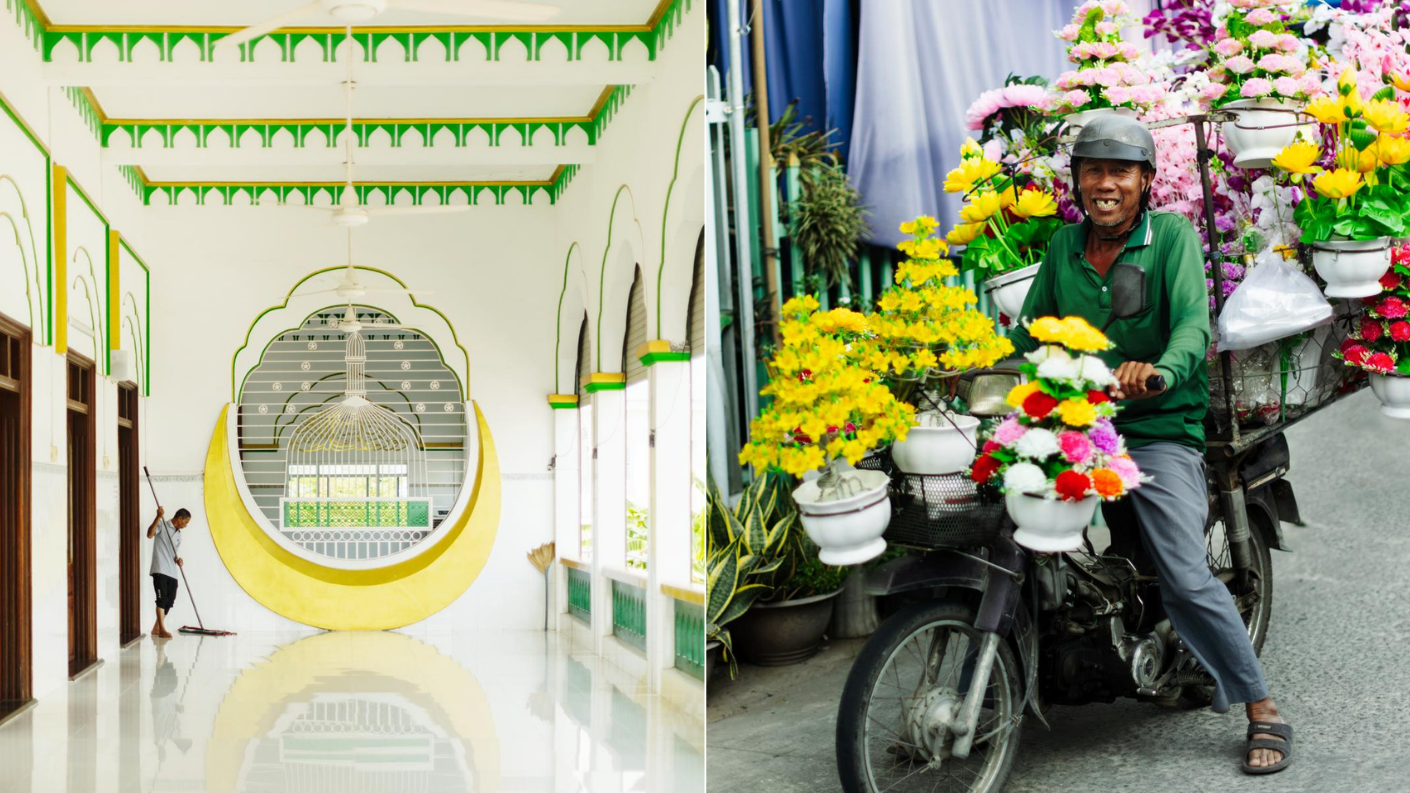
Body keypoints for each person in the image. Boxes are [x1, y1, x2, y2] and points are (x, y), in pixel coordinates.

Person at [1005, 114, 1292, 775]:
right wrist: (970, 364)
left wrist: (1161, 366)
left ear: (1143, 180)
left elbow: (1195, 322)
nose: (1105, 183)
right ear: (1076, 180)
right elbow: (1028, 335)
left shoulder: (1170, 239)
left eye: (1120, 171)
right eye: (1093, 170)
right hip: (1082, 424)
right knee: (1008, 515)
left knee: (1187, 577)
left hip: (1158, 426)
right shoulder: (1061, 248)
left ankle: (1262, 706)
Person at [147, 506, 188, 640]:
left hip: (172, 571)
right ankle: (162, 630)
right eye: (185, 522)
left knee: (170, 601)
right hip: (160, 569)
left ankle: (156, 627)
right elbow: (149, 534)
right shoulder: (163, 525)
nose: (186, 525)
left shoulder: (179, 535)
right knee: (161, 599)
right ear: (179, 518)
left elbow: (173, 553)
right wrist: (158, 516)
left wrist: (178, 559)